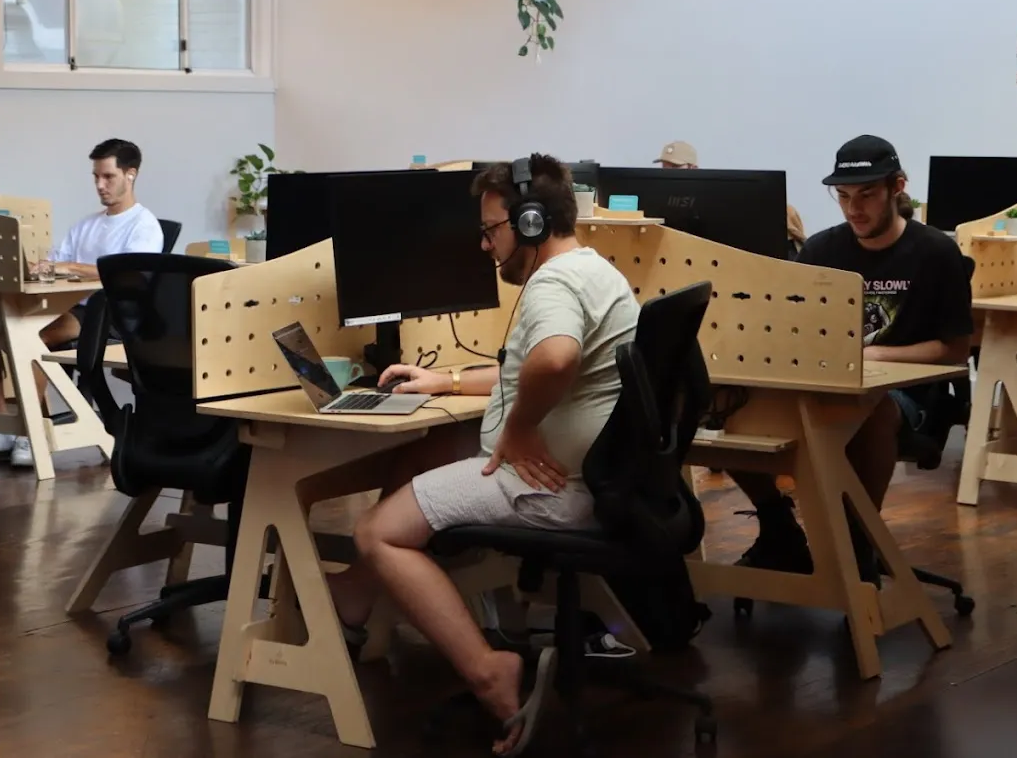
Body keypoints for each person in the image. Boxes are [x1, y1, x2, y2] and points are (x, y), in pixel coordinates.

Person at [324, 154, 639, 756]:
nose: (485, 245)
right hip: (596, 475)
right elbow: (526, 370)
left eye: (491, 230)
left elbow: (555, 360)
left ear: (529, 223)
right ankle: (358, 595)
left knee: (376, 532)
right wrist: (444, 381)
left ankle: (488, 669)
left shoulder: (553, 284)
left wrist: (519, 428)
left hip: (551, 484)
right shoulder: (592, 269)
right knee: (428, 450)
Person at [726, 135, 973, 579]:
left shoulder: (935, 252)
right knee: (727, 403)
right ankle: (778, 525)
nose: (853, 209)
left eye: (866, 195)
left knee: (872, 410)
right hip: (830, 382)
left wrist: (874, 353)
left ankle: (860, 546)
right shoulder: (822, 251)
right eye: (842, 196)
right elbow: (794, 330)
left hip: (907, 396)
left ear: (897, 188)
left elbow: (954, 349)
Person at [0, 138, 164, 467]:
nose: (100, 185)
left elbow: (128, 275)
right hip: (72, 309)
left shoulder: (144, 226)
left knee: (31, 336)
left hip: (113, 315)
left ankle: (32, 432)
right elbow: (56, 262)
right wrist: (38, 267)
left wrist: (70, 266)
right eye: (96, 177)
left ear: (131, 174)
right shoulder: (87, 224)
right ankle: (2, 424)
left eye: (108, 177)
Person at [654, 139, 808, 258]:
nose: (668, 174)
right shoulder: (657, 203)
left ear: (693, 169)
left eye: (675, 168)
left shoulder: (714, 200)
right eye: (665, 169)